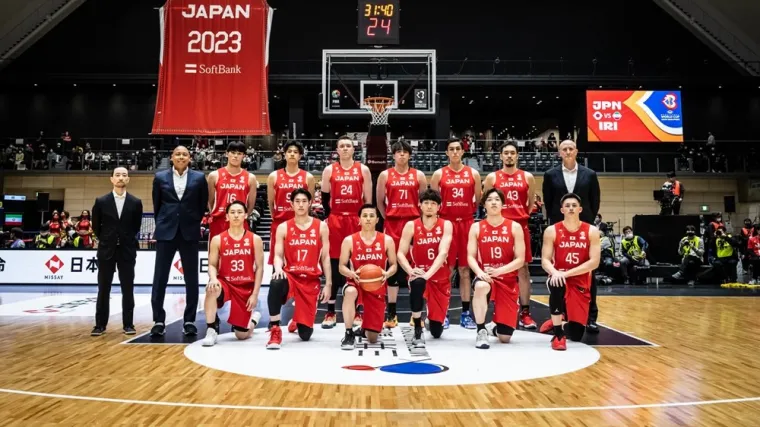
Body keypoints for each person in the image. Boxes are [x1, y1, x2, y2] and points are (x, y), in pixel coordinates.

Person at [542, 140, 601, 332]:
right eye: (564, 149)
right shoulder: (550, 175)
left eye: (570, 149)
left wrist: (584, 222)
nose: (567, 152)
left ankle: (591, 317)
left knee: (588, 274)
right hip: (560, 229)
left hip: (583, 228)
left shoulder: (590, 174)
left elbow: (595, 201)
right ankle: (561, 315)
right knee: (557, 272)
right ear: (559, 152)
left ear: (576, 151)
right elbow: (549, 202)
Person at [150, 146, 209, 337]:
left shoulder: (199, 178)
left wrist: (191, 221)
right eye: (177, 154)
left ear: (190, 158)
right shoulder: (160, 177)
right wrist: (164, 222)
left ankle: (189, 320)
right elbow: (157, 204)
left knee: (191, 279)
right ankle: (158, 320)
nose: (181, 157)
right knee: (160, 278)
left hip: (189, 232)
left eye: (184, 154)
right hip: (166, 232)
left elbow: (202, 205)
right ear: (172, 157)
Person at [319, 135, 372, 329]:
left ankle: (358, 309)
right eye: (342, 146)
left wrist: (365, 221)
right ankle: (330, 311)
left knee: (357, 261)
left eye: (348, 146)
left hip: (356, 220)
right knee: (333, 262)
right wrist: (331, 216)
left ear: (353, 149)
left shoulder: (363, 169)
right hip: (336, 219)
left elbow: (368, 199)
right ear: (337, 150)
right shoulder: (329, 170)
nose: (345, 149)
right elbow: (325, 198)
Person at [268, 189, 331, 349]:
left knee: (305, 335)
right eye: (297, 201)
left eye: (304, 201)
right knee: (276, 281)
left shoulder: (321, 226)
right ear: (291, 204)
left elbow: (325, 257)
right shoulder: (283, 227)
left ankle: (298, 320)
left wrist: (328, 284)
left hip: (310, 280)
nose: (301, 204)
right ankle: (275, 328)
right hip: (291, 276)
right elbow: (278, 255)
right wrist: (278, 268)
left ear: (310, 203)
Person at [483, 141, 537, 329]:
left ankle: (525, 312)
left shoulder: (527, 177)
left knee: (523, 270)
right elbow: (487, 201)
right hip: (499, 228)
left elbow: (530, 204)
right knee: (497, 269)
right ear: (500, 156)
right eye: (506, 153)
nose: (509, 156)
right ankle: (496, 313)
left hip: (520, 226)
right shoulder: (492, 178)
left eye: (512, 153)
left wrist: (518, 217)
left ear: (517, 156)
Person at [429, 137, 481, 329]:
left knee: (465, 270)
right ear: (447, 153)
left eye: (458, 149)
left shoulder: (473, 173)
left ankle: (466, 313)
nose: (455, 152)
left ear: (462, 151)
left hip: (466, 224)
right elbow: (433, 201)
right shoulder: (438, 174)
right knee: (446, 270)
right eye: (451, 149)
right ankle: (443, 313)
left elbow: (478, 200)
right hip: (446, 224)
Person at [539, 193, 601, 351]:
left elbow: (594, 262)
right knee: (556, 282)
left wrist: (565, 273)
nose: (571, 208)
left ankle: (558, 322)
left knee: (576, 333)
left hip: (579, 281)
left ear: (580, 209)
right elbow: (545, 260)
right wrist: (555, 272)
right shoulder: (552, 230)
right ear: (562, 210)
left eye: (574, 205)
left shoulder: (592, 231)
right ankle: (558, 334)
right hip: (559, 278)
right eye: (567, 206)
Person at [376, 140, 427, 328]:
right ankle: (392, 313)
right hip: (392, 225)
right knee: (393, 269)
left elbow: (424, 202)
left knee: (415, 269)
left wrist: (417, 223)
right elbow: (380, 202)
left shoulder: (419, 175)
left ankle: (416, 315)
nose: (402, 155)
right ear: (393, 155)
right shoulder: (385, 175)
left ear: (410, 155)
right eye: (398, 152)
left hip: (414, 225)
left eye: (405, 152)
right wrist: (389, 218)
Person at [467, 188, 525, 349]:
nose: (493, 202)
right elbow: (470, 256)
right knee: (480, 286)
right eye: (490, 199)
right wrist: (479, 273)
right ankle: (481, 331)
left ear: (503, 204)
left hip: (507, 278)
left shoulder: (514, 227)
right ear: (484, 204)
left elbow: (520, 259)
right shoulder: (476, 227)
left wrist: (500, 271)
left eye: (497, 199)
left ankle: (494, 326)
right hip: (486, 275)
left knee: (505, 338)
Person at [201, 201, 264, 347]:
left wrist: (255, 294)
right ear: (227, 217)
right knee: (211, 288)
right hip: (226, 283)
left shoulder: (255, 239)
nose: (236, 215)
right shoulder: (217, 239)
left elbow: (260, 268)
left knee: (241, 335)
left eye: (240, 212)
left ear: (246, 215)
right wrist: (213, 278)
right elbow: (212, 264)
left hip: (245, 287)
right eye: (233, 212)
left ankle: (253, 320)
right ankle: (211, 329)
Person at [396, 189, 453, 347]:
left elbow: (443, 253)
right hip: (420, 272)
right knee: (417, 282)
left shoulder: (446, 225)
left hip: (439, 276)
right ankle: (417, 330)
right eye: (426, 203)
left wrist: (428, 275)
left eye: (433, 203)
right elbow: (400, 253)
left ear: (439, 207)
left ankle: (431, 320)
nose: (429, 206)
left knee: (436, 331)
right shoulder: (411, 225)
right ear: (419, 205)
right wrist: (410, 271)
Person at [91, 167, 144, 336]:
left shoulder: (136, 202)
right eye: (117, 175)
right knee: (103, 288)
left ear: (128, 179)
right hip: (107, 250)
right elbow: (96, 226)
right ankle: (100, 325)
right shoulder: (101, 201)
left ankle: (128, 324)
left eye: (124, 175)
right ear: (111, 179)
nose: (121, 178)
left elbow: (136, 226)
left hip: (127, 251)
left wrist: (125, 238)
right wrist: (108, 239)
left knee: (127, 288)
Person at [339, 204, 398, 349]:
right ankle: (348, 333)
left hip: (376, 285)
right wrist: (351, 274)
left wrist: (386, 273)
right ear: (359, 219)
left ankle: (366, 327)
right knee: (350, 292)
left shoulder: (387, 240)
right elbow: (341, 266)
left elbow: (394, 265)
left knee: (372, 339)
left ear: (377, 219)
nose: (368, 219)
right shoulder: (349, 240)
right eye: (364, 216)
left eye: (372, 216)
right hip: (356, 283)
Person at [266, 141, 315, 265]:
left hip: (301, 225)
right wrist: (275, 216)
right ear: (284, 154)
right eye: (289, 152)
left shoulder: (308, 177)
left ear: (300, 156)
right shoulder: (274, 176)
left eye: (295, 152)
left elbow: (310, 202)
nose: (292, 154)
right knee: (278, 262)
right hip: (280, 222)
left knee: (299, 262)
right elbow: (271, 202)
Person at [207, 141, 258, 240]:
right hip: (219, 221)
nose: (235, 156)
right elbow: (210, 201)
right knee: (216, 254)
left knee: (239, 254)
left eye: (239, 153)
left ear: (244, 156)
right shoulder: (214, 175)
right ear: (227, 153)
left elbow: (250, 205)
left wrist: (241, 216)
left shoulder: (250, 178)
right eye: (233, 153)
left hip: (240, 222)